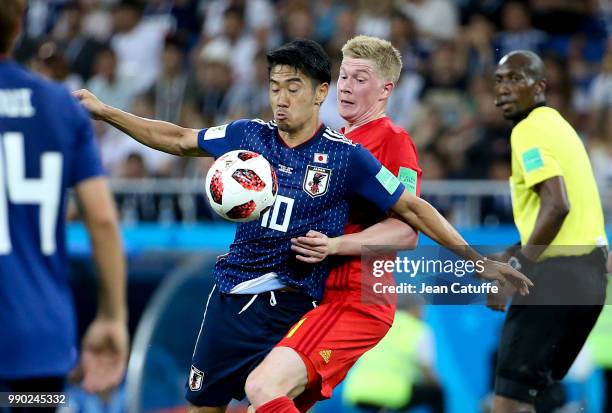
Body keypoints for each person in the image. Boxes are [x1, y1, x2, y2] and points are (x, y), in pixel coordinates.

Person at [75, 38, 532, 413]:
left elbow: (412, 213)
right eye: (275, 86)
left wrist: (475, 260)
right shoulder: (247, 136)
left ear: (319, 93)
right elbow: (176, 138)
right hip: (231, 296)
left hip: (300, 303)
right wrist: (106, 111)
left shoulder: (350, 156)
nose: (281, 97)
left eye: (294, 87)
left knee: (263, 390)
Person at [245, 35, 423, 412]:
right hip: (323, 296)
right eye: (344, 76)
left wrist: (335, 246)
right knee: (262, 403)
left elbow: (407, 231)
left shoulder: (394, 141)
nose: (345, 86)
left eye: (360, 79)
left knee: (262, 386)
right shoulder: (338, 141)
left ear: (385, 89)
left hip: (358, 299)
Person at [0, 0, 129, 410]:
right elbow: (104, 221)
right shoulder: (61, 107)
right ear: (19, 25)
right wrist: (112, 316)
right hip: (39, 339)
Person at [489, 50, 608, 413]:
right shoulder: (559, 127)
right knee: (537, 398)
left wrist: (517, 268)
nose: (504, 89)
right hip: (589, 279)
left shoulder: (529, 130)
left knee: (509, 402)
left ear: (540, 86)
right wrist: (513, 252)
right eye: (499, 80)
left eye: (515, 79)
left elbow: (557, 206)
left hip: (557, 277)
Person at [342, 295, 444, 413]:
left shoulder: (376, 323)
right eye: (422, 309)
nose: (423, 314)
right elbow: (426, 370)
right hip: (393, 392)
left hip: (357, 390)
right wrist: (437, 384)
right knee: (437, 394)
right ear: (413, 309)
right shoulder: (419, 329)